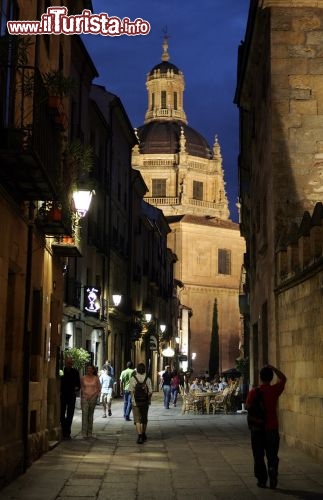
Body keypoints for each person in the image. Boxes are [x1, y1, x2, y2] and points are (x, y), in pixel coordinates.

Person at [245, 364, 287, 490]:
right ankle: (272, 469)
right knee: (272, 454)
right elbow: (284, 379)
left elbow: (247, 407)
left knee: (258, 455)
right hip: (272, 428)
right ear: (270, 377)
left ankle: (262, 480)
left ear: (260, 377)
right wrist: (274, 368)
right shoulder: (275, 390)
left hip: (257, 429)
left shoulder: (254, 392)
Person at [129, 362, 152, 444]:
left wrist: (133, 400)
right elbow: (150, 392)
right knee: (144, 419)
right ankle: (143, 434)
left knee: (137, 420)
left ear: (137, 369)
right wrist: (148, 400)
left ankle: (139, 436)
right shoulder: (148, 379)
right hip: (145, 402)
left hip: (136, 403)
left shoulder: (133, 379)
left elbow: (131, 391)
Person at [60, 356, 81, 440]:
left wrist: (76, 388)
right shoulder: (62, 371)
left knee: (70, 414)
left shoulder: (75, 372)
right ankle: (64, 429)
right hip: (63, 395)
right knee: (61, 413)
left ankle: (67, 432)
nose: (70, 364)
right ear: (65, 363)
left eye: (71, 363)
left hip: (71, 395)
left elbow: (78, 384)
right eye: (68, 363)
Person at [80, 364, 101, 439]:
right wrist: (85, 395)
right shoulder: (83, 378)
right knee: (84, 415)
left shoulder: (96, 378)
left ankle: (89, 432)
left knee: (90, 415)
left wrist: (93, 396)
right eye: (87, 369)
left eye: (90, 369)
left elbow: (98, 388)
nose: (88, 370)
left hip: (93, 398)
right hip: (85, 398)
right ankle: (84, 433)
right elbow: (82, 387)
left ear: (93, 370)